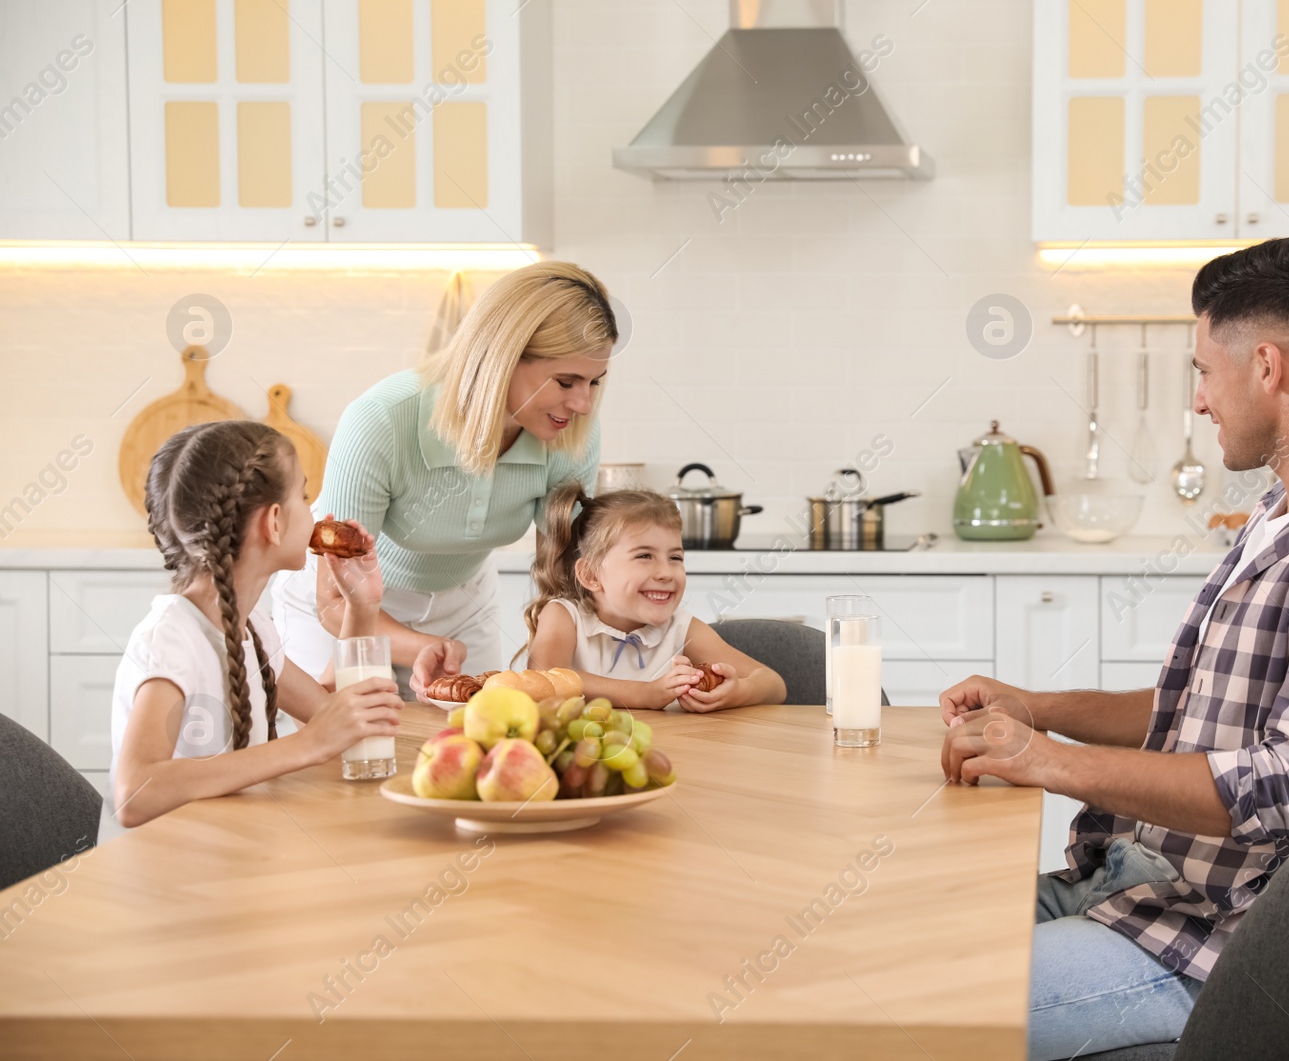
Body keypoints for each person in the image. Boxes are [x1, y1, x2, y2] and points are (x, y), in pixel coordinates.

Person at [939, 237, 1289, 1059]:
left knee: (909, 1012)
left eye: (1203, 372)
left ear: (1265, 367)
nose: (1197, 401)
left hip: (1225, 946)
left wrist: (1045, 759)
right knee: (893, 944)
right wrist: (1036, 709)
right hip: (1144, 889)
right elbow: (1201, 716)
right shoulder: (1285, 512)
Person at [273, 261, 615, 699]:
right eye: (566, 381)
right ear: (502, 358)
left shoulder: (570, 433)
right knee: (343, 749)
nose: (583, 403)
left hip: (463, 602)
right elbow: (336, 601)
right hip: (341, 605)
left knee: (479, 735)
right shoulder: (383, 419)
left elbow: (565, 579)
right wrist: (423, 646)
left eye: (593, 382)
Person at [111, 422, 405, 828]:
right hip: (170, 874)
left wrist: (362, 606)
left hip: (233, 853)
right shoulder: (172, 638)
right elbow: (134, 793)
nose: (317, 512)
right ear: (275, 522)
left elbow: (330, 717)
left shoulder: (254, 628)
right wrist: (304, 746)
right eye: (304, 496)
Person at [524, 482, 785, 710]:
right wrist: (644, 693)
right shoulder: (564, 616)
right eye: (644, 556)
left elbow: (773, 683)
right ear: (591, 574)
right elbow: (546, 679)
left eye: (675, 557)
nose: (665, 573)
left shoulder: (681, 628)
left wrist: (737, 692)